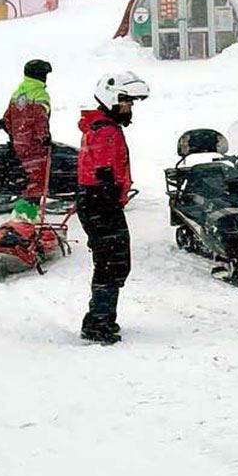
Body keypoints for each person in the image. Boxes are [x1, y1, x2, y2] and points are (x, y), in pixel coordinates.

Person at [76, 70, 150, 345]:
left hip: (97, 202)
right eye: (127, 102)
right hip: (99, 202)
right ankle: (98, 323)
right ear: (112, 98)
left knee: (113, 263)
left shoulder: (104, 127)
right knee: (112, 263)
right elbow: (104, 172)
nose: (130, 108)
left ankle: (101, 317)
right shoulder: (105, 132)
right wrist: (110, 201)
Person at [3, 59, 53, 219]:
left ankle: (27, 213)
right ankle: (24, 215)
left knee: (29, 178)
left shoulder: (18, 92)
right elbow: (40, 118)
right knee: (37, 180)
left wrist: (15, 136)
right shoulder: (39, 93)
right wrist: (44, 137)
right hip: (34, 144)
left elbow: (7, 118)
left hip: (19, 141)